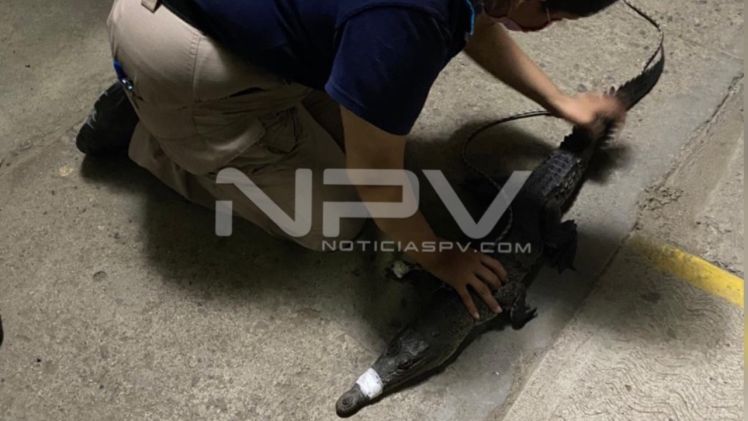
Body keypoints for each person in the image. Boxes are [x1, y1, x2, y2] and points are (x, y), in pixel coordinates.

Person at [77, 0, 626, 320]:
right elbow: (376, 179)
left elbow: (474, 15)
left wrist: (557, 100)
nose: (544, 25)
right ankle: (152, 128)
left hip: (225, 22)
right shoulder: (408, 21)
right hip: (180, 51)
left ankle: (167, 99)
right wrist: (441, 259)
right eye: (548, 9)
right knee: (334, 218)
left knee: (362, 112)